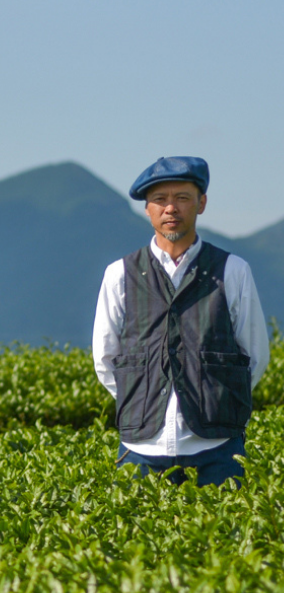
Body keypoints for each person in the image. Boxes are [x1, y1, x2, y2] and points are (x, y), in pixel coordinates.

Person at [93, 156, 270, 487]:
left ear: (201, 204)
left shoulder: (233, 270)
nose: (170, 208)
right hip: (141, 448)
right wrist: (140, 399)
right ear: (147, 209)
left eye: (182, 198)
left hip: (216, 447)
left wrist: (218, 402)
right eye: (160, 200)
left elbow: (255, 355)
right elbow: (105, 358)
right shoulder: (119, 274)